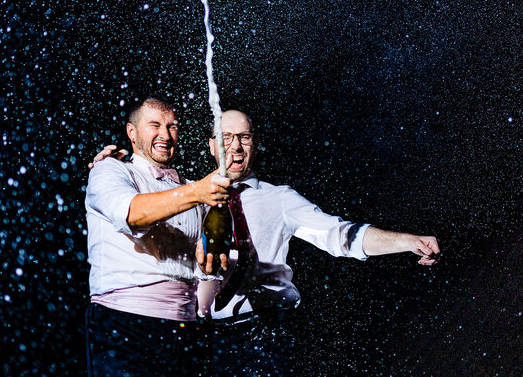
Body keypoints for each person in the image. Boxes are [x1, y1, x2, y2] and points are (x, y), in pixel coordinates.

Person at [93, 109, 440, 376]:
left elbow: (341, 236)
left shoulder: (281, 199)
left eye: (244, 137)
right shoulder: (192, 197)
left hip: (266, 334)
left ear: (255, 146)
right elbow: (142, 208)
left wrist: (407, 241)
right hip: (206, 342)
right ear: (212, 146)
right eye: (226, 137)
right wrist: (111, 167)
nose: (235, 145)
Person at [84, 97, 231, 376]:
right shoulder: (110, 169)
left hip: (185, 331)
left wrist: (209, 266)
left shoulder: (190, 189)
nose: (165, 135)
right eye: (154, 125)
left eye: (172, 126)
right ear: (132, 132)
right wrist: (198, 192)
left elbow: (201, 266)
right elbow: (131, 213)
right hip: (124, 325)